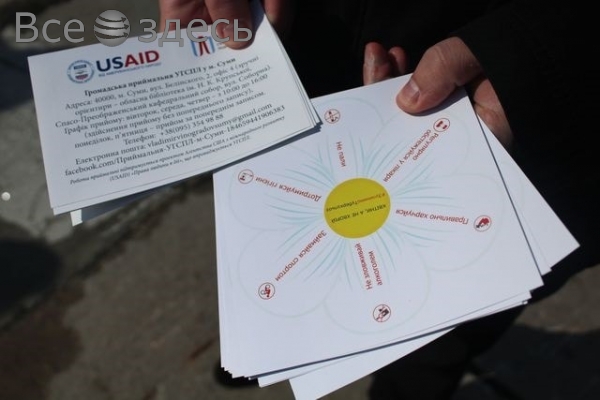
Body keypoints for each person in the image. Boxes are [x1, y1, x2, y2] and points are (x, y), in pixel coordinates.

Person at [160, 1, 597, 398]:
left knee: (446, 324)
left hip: (527, 116)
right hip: (313, 53)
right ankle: (268, 350)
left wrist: (529, 53)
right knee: (279, 261)